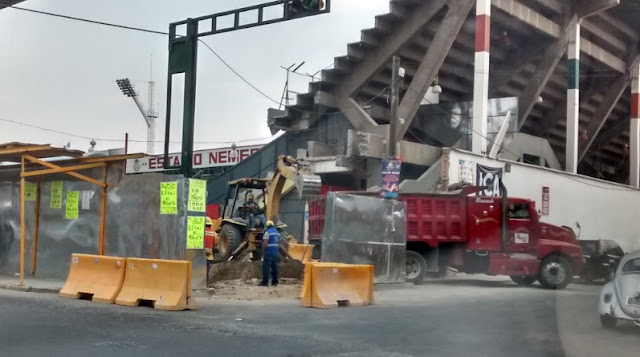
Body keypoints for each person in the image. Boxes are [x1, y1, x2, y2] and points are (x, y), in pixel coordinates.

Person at [259, 220, 280, 287]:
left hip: (268, 252)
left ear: (267, 226)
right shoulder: (277, 233)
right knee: (274, 268)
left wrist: (263, 250)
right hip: (275, 253)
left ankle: (265, 282)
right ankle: (275, 282)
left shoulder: (267, 233)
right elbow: (279, 243)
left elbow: (265, 243)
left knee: (266, 268)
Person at [204, 217, 217, 283]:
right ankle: (206, 282)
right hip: (209, 255)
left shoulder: (202, 232)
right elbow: (215, 243)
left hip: (201, 254)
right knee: (207, 270)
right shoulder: (213, 233)